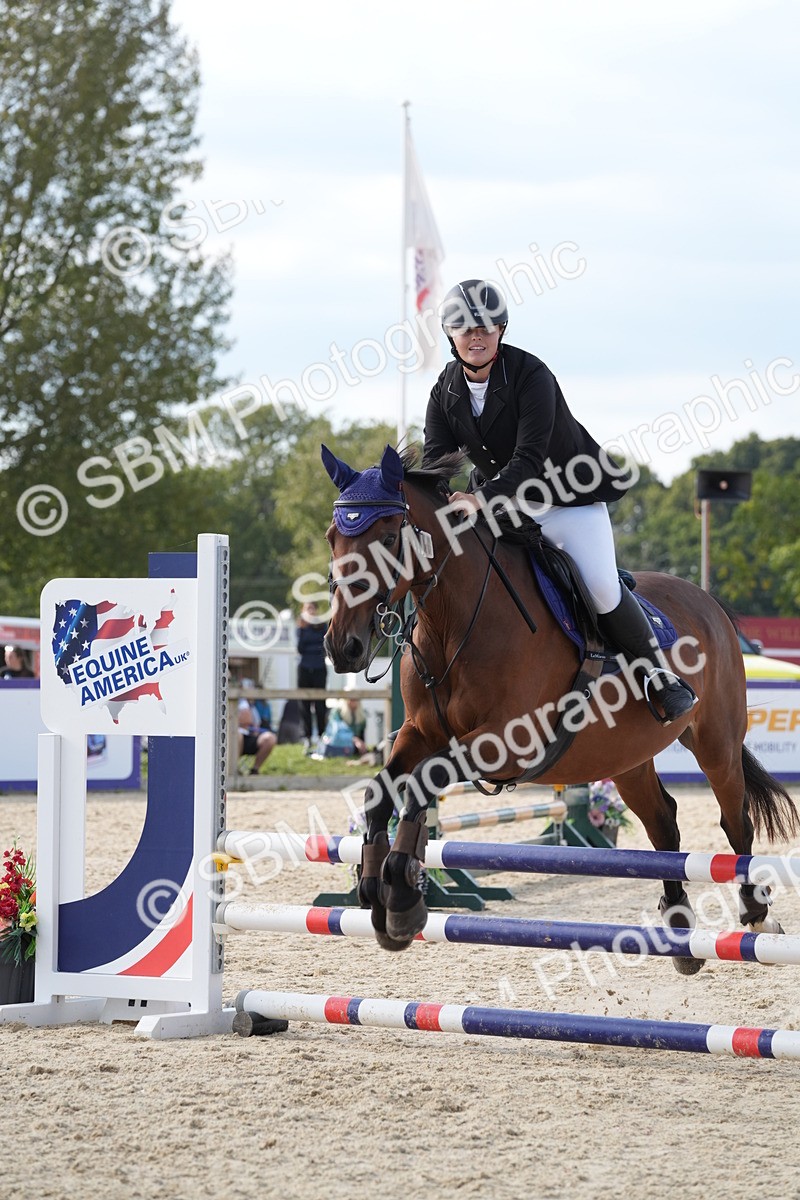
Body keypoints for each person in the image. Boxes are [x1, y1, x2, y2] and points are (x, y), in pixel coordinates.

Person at [422, 279, 697, 725]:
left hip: (567, 500)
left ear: (502, 330)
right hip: (503, 508)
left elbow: (528, 459)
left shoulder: (531, 375)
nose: (477, 335)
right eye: (466, 328)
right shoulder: (445, 390)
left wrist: (478, 499)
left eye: (487, 327)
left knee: (603, 588)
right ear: (450, 335)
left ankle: (660, 677)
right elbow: (436, 461)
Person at [296, 601, 328, 749]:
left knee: (320, 705)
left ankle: (321, 735)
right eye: (307, 609)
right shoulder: (301, 627)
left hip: (319, 667)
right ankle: (307, 737)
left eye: (312, 608)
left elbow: (324, 646)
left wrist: (313, 645)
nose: (310, 611)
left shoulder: (322, 626)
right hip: (304, 668)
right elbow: (300, 648)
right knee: (304, 705)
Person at [237, 687, 276, 776]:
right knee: (237, 735)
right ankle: (234, 769)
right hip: (234, 736)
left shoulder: (257, 704)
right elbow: (246, 719)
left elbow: (249, 720)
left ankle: (254, 770)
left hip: (250, 735)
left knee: (270, 738)